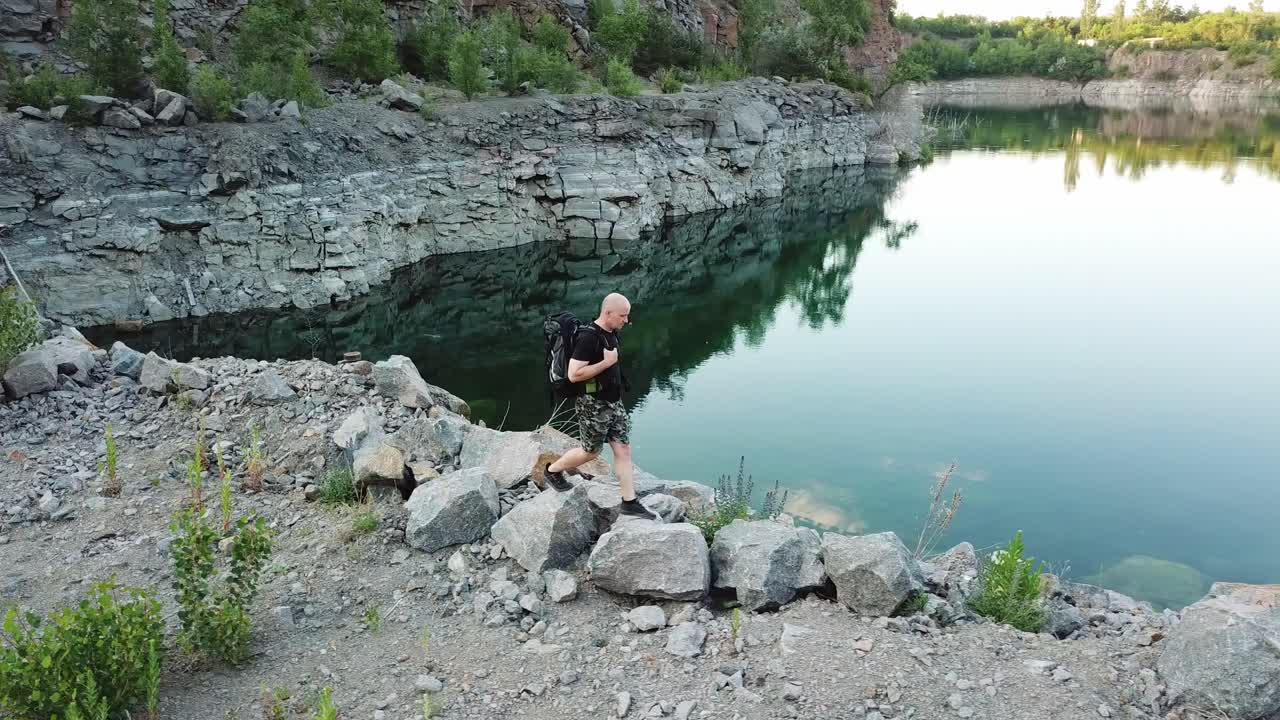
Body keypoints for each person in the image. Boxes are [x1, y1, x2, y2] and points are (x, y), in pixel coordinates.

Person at [537, 293, 654, 518]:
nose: (626, 320)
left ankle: (629, 502)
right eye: (622, 315)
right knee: (590, 452)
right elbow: (574, 374)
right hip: (593, 405)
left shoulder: (612, 333)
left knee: (623, 449)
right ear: (607, 312)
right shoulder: (587, 338)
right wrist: (607, 362)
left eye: (627, 316)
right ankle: (552, 471)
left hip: (613, 402)